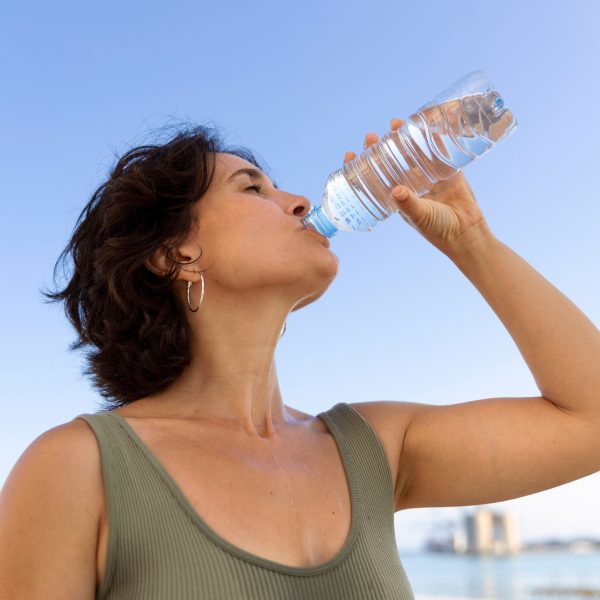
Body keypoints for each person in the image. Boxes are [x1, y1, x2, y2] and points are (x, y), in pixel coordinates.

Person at [1, 119, 599, 600]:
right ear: (174, 253)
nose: (298, 202)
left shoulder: (374, 448)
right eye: (253, 188)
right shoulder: (79, 467)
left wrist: (472, 241)